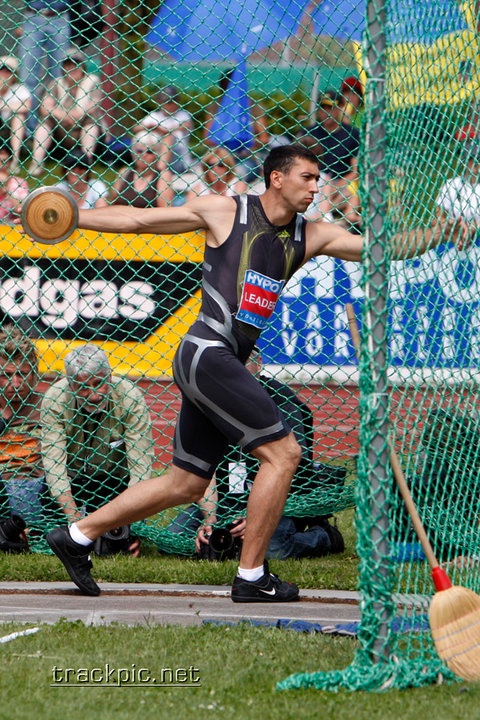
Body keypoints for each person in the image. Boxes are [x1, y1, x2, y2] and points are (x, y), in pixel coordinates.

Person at [38, 144, 470, 601]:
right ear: (277, 178)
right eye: (306, 176)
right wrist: (68, 217)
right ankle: (251, 578)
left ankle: (78, 536)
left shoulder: (313, 234)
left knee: (186, 483)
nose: (316, 185)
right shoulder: (225, 211)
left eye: (318, 178)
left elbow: (377, 250)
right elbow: (139, 221)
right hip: (208, 353)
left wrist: (439, 231)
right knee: (284, 455)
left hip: (213, 361)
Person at [166, 348, 346, 560]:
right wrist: (210, 520)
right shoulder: (209, 401)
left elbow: (292, 469)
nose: (234, 373)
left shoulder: (282, 402)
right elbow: (202, 468)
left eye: (240, 364)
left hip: (280, 501)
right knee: (174, 539)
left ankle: (325, 535)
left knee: (273, 550)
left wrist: (256, 516)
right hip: (225, 499)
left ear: (258, 364)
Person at [40, 345, 155, 548]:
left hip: (114, 481)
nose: (93, 395)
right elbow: (54, 467)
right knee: (52, 536)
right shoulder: (54, 399)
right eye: (83, 387)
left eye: (99, 383)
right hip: (72, 480)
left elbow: (141, 469)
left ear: (109, 377)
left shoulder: (130, 397)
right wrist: (76, 523)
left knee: (119, 543)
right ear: (71, 386)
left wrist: (130, 526)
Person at [28, 48, 102, 177]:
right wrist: (65, 115)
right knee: (45, 121)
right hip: (61, 130)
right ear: (63, 68)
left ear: (83, 66)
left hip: (82, 126)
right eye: (68, 65)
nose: (72, 68)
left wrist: (77, 114)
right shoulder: (56, 83)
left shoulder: (92, 81)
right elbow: (45, 107)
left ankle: (86, 162)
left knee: (91, 121)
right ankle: (37, 162)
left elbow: (94, 104)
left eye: (76, 65)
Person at [297, 91, 362, 230]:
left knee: (350, 192)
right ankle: (326, 217)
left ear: (339, 109)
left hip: (340, 182)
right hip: (313, 179)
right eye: (323, 108)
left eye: (331, 108)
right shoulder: (308, 133)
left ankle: (324, 216)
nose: (326, 112)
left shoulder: (352, 134)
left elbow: (355, 171)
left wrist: (336, 186)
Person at [0, 324, 44, 527]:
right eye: (6, 375)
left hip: (38, 490)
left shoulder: (48, 407)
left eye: (22, 374)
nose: (15, 383)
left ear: (34, 374)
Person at [17, 0, 71, 135]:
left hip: (60, 16)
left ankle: (58, 131)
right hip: (32, 16)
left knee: (59, 78)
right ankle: (30, 132)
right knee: (28, 78)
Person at [133, 86, 195, 176]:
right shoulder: (155, 115)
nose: (169, 105)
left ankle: (161, 170)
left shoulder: (183, 115)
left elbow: (185, 125)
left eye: (171, 101)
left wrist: (161, 130)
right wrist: (148, 127)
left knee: (168, 137)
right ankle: (143, 166)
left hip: (177, 160)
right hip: (153, 155)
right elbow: (135, 128)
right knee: (141, 135)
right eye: (165, 102)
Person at [110, 131, 175, 208]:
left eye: (149, 151)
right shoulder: (124, 172)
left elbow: (165, 209)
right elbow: (113, 203)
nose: (144, 155)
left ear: (156, 154)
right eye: (139, 151)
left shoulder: (163, 176)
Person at [435, 140, 480, 221]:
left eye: (478, 160)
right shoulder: (452, 184)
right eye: (471, 159)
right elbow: (437, 217)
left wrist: (472, 227)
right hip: (454, 230)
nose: (475, 163)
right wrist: (448, 225)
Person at [0, 56, 31, 171]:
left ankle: (14, 159)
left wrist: (2, 105)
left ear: (14, 75)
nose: (3, 75)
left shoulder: (19, 89)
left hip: (9, 131)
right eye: (1, 71)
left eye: (7, 72)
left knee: (19, 117)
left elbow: (26, 106)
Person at [0, 141, 30, 224]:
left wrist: (5, 190)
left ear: (9, 162)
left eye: (3, 161)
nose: (0, 165)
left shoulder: (19, 183)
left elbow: (22, 211)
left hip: (11, 229)